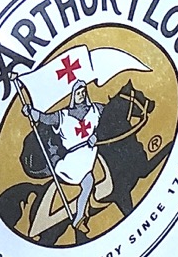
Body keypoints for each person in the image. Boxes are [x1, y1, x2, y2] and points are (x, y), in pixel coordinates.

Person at [14, 77, 113, 241]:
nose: (81, 95)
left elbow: (111, 114)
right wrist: (30, 111)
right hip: (71, 161)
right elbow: (44, 118)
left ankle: (80, 216)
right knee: (88, 182)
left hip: (88, 157)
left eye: (83, 92)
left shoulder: (96, 110)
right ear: (73, 95)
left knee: (89, 181)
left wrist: (96, 135)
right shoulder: (63, 116)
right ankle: (79, 217)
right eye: (78, 93)